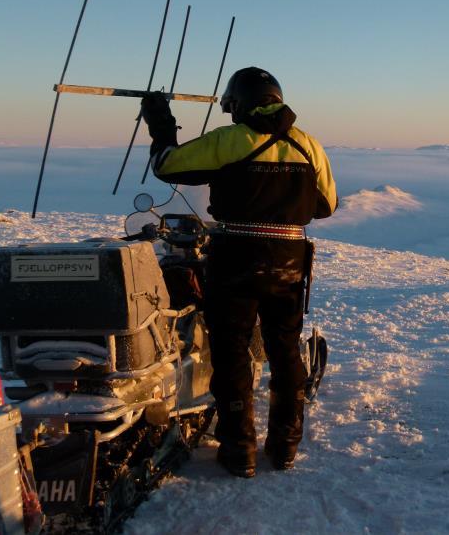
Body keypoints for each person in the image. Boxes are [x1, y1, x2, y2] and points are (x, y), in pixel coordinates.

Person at [140, 67, 337, 477]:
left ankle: (239, 451)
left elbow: (167, 165)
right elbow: (326, 205)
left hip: (234, 257)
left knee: (230, 354)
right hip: (289, 259)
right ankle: (284, 448)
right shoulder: (308, 146)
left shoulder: (230, 141)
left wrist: (160, 121)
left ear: (239, 104)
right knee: (284, 353)